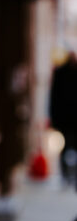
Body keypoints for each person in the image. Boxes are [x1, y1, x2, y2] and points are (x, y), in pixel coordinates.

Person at [49, 51, 77, 187]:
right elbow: (54, 97)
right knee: (64, 146)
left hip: (71, 118)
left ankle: (72, 174)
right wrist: (53, 119)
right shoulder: (60, 73)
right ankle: (65, 174)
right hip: (65, 118)